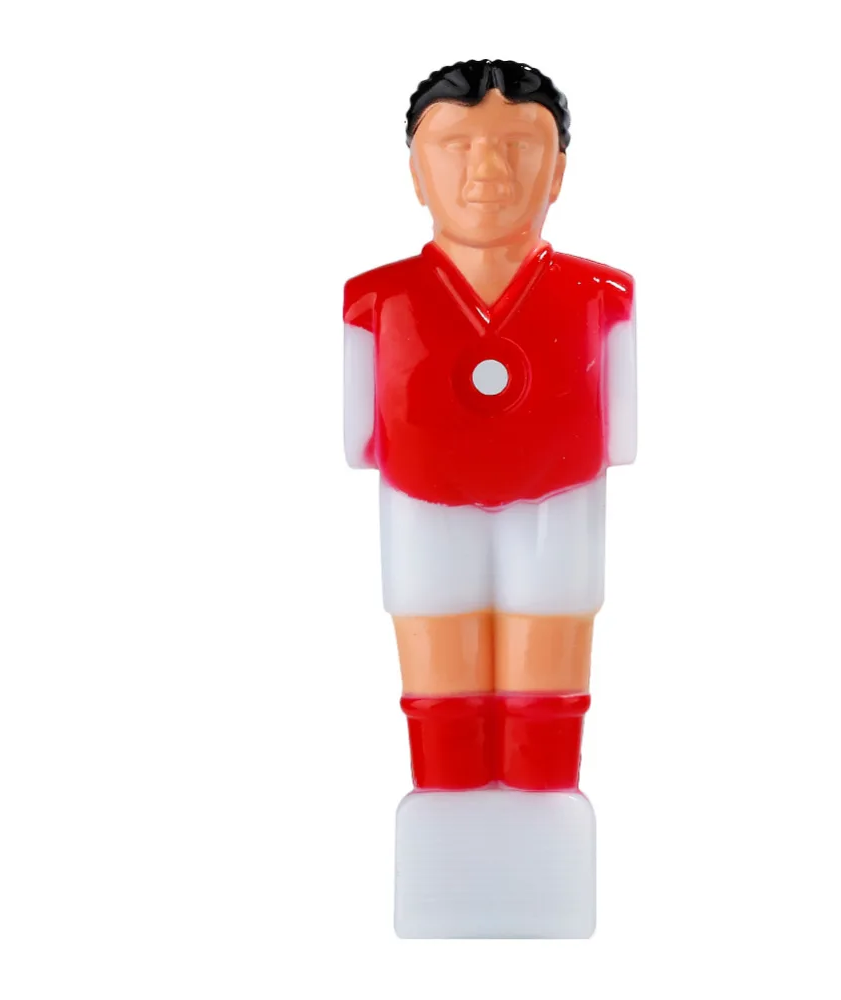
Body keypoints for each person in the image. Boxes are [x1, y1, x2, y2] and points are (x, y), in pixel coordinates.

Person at [343, 59, 636, 793]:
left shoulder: (602, 296)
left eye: (518, 147)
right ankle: (445, 797)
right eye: (457, 146)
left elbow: (622, 437)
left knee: (551, 650)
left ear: (558, 171)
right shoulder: (376, 301)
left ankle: (545, 793)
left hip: (560, 504)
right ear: (416, 173)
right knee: (438, 656)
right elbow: (358, 439)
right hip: (423, 505)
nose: (488, 172)